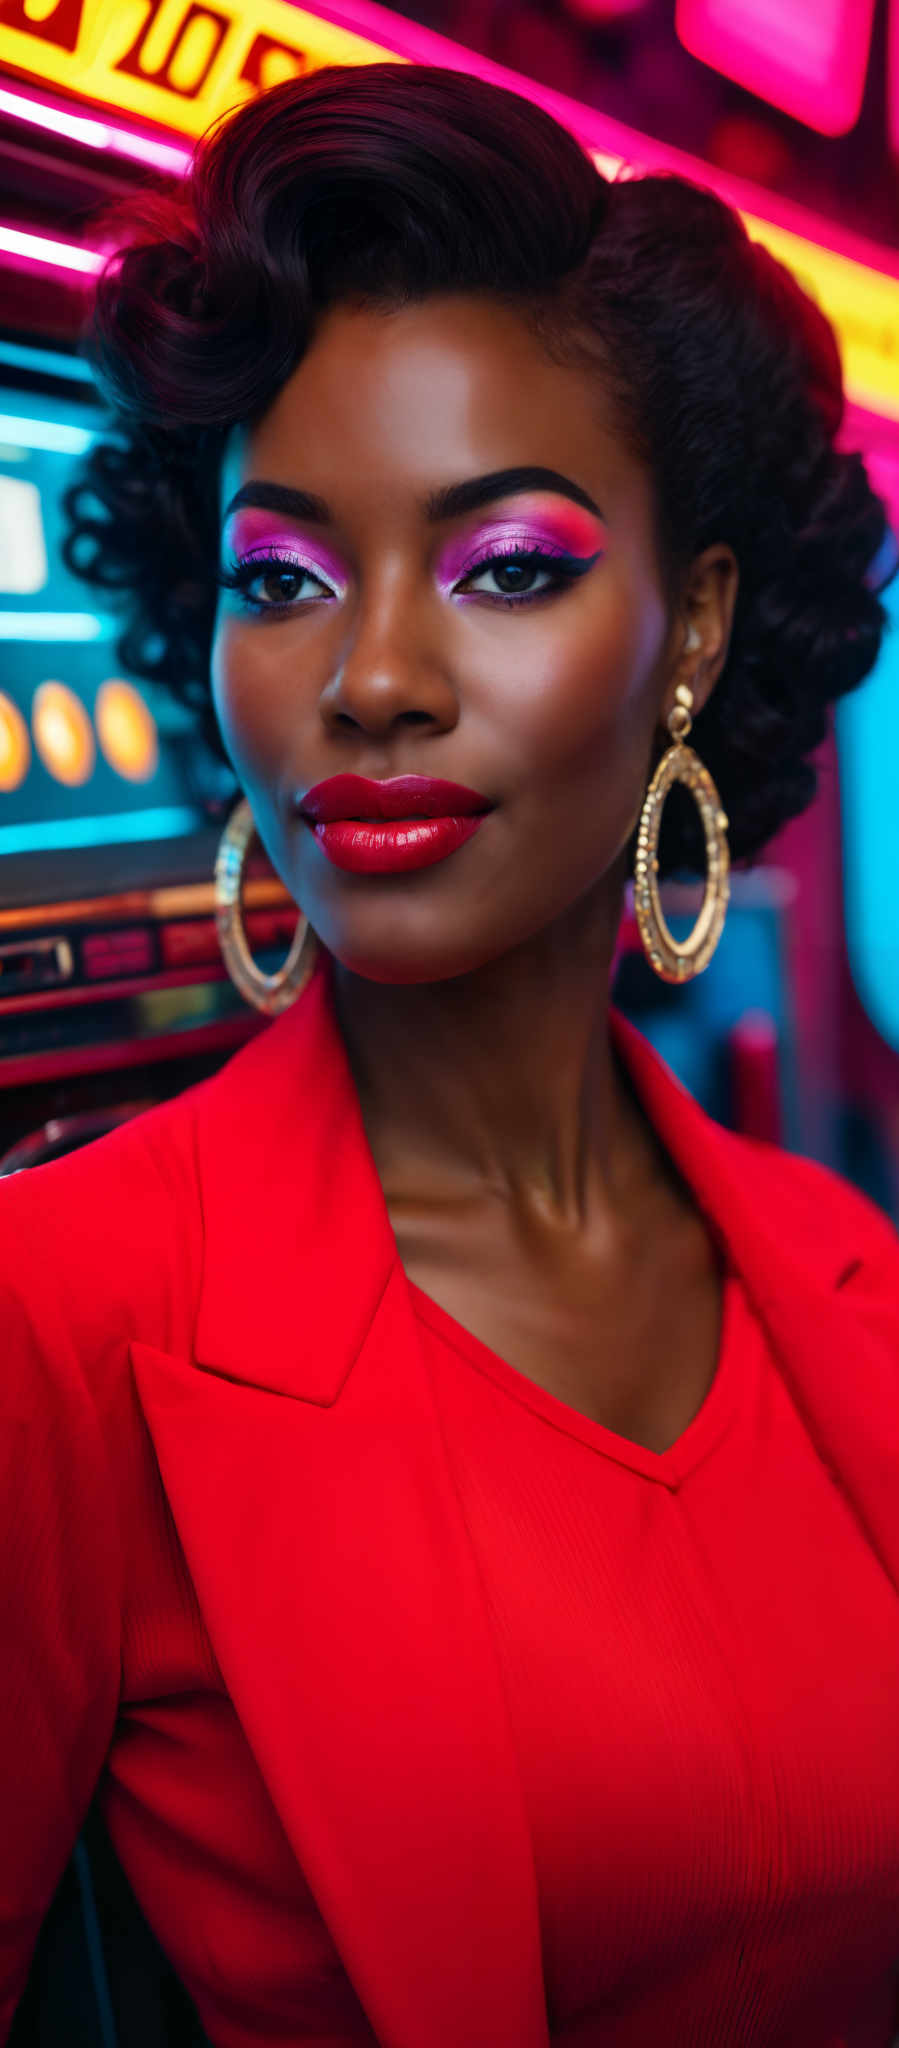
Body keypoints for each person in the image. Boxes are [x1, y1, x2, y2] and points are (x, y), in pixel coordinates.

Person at [3, 59, 899, 2048]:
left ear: (692, 624)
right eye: (282, 580)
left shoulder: (852, 1268)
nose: (376, 676)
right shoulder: (63, 1318)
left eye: (507, 566)